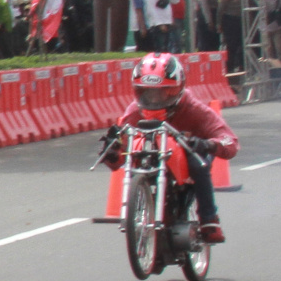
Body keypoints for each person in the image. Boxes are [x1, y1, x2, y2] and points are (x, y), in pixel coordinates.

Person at [100, 52, 239, 244]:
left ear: (178, 88)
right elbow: (120, 155)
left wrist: (207, 144)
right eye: (147, 93)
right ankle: (141, 214)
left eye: (164, 92)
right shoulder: (134, 111)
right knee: (136, 159)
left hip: (188, 153)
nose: (155, 99)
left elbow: (230, 142)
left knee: (198, 165)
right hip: (155, 155)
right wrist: (112, 152)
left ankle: (209, 220)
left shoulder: (195, 110)